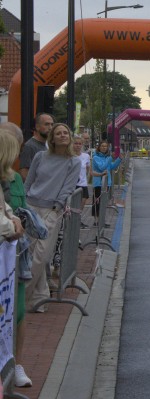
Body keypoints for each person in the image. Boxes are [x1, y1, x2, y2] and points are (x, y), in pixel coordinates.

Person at [24, 122, 80, 312]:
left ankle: (21, 296)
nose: (63, 135)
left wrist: (57, 208)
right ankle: (39, 299)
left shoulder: (74, 161)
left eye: (66, 133)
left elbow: (68, 187)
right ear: (53, 138)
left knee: (41, 256)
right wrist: (23, 204)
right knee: (31, 254)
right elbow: (29, 181)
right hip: (31, 207)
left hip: (52, 210)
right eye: (58, 133)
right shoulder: (40, 156)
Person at [0, 127, 31, 386]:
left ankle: (14, 366)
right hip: (6, 252)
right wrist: (10, 225)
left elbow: (13, 208)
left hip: (13, 257)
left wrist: (14, 219)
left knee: (17, 311)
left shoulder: (13, 177)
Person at [91, 140, 121, 222]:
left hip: (107, 183)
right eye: (102, 146)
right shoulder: (95, 158)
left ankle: (102, 220)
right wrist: (110, 158)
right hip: (98, 183)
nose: (104, 148)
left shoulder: (107, 158)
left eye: (106, 146)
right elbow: (102, 168)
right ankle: (96, 220)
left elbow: (112, 167)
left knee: (104, 202)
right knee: (97, 202)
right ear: (99, 147)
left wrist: (119, 159)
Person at [19, 112, 54, 180]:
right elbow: (24, 173)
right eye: (46, 124)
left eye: (52, 124)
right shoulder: (29, 146)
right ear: (37, 127)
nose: (50, 128)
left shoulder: (48, 144)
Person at [73, 135, 91, 225]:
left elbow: (88, 169)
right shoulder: (70, 156)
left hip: (83, 183)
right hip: (73, 184)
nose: (78, 145)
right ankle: (71, 220)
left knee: (83, 202)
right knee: (73, 203)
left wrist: (86, 178)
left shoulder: (86, 156)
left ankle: (78, 219)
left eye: (80, 144)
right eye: (76, 143)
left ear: (82, 145)